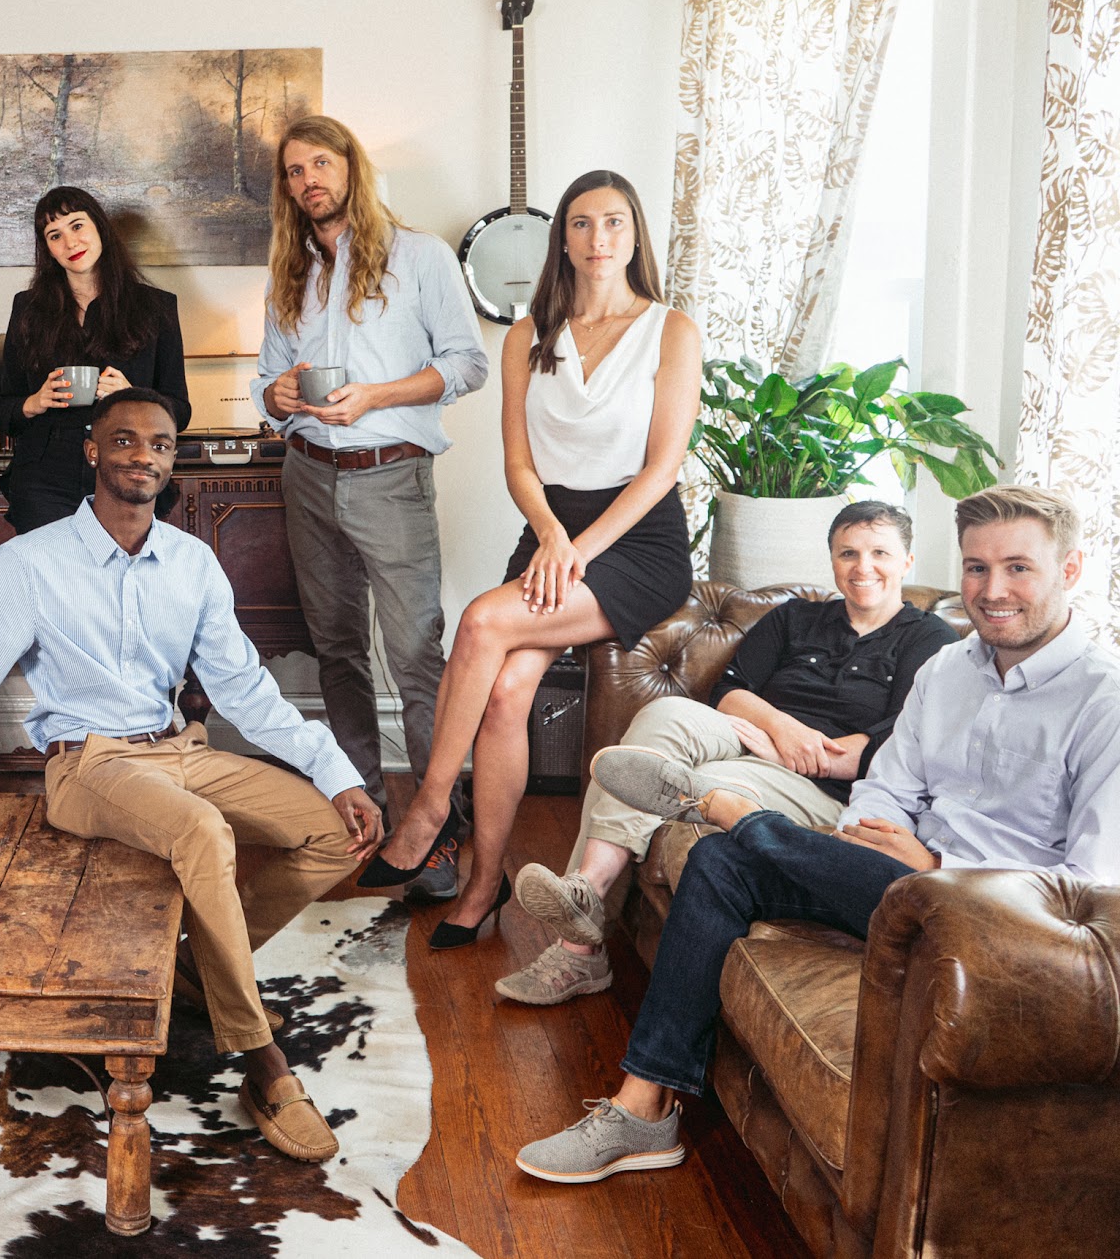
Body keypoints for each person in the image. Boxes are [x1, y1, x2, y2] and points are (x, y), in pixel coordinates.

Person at [0, 387, 384, 1164]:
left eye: (159, 444)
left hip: (178, 748)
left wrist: (338, 774)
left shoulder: (192, 563)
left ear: (171, 461)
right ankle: (262, 1061)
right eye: (124, 440)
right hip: (87, 762)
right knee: (202, 830)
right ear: (92, 450)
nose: (142, 455)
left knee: (330, 830)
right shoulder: (30, 563)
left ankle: (194, 970)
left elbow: (248, 692)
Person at [516, 485, 1119, 1185]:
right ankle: (643, 1107)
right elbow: (889, 784)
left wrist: (937, 861)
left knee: (741, 834)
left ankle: (727, 806)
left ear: (1071, 569)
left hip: (990, 919)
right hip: (894, 883)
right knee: (717, 861)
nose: (992, 590)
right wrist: (869, 836)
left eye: (1018, 568)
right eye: (977, 568)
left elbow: (1090, 895)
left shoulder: (1103, 699)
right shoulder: (949, 669)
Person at [356, 170, 702, 952]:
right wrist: (550, 534)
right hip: (550, 532)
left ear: (635, 237)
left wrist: (575, 550)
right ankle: (484, 884)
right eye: (581, 223)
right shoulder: (526, 336)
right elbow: (519, 463)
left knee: (482, 622)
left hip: (634, 543)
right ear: (562, 240)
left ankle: (430, 808)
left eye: (613, 222)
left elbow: (660, 471)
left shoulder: (671, 330)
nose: (597, 238)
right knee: (507, 691)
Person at [496, 501, 958, 1005]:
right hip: (752, 736)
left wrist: (789, 754)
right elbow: (731, 692)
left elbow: (885, 751)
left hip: (818, 786)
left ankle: (576, 952)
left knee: (674, 778)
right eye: (848, 553)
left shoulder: (929, 639)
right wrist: (781, 728)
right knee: (663, 715)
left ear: (907, 561)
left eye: (879, 553)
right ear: (831, 558)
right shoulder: (796, 617)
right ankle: (586, 886)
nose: (862, 566)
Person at [253, 115, 489, 820]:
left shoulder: (420, 257)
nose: (309, 181)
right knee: (337, 650)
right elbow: (266, 381)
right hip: (306, 475)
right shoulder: (288, 274)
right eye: (295, 171)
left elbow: (468, 364)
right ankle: (362, 804)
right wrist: (276, 394)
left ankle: (439, 821)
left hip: (392, 476)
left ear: (351, 166)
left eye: (320, 163)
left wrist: (376, 396)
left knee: (415, 653)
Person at [0, 185, 190, 533]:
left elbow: (181, 411)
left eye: (77, 226)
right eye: (55, 235)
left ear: (99, 227)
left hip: (127, 467)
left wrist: (135, 395)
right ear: (47, 249)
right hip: (45, 473)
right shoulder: (28, 308)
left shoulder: (157, 308)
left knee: (118, 567)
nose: (70, 243)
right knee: (50, 566)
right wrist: (35, 402)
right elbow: (4, 413)